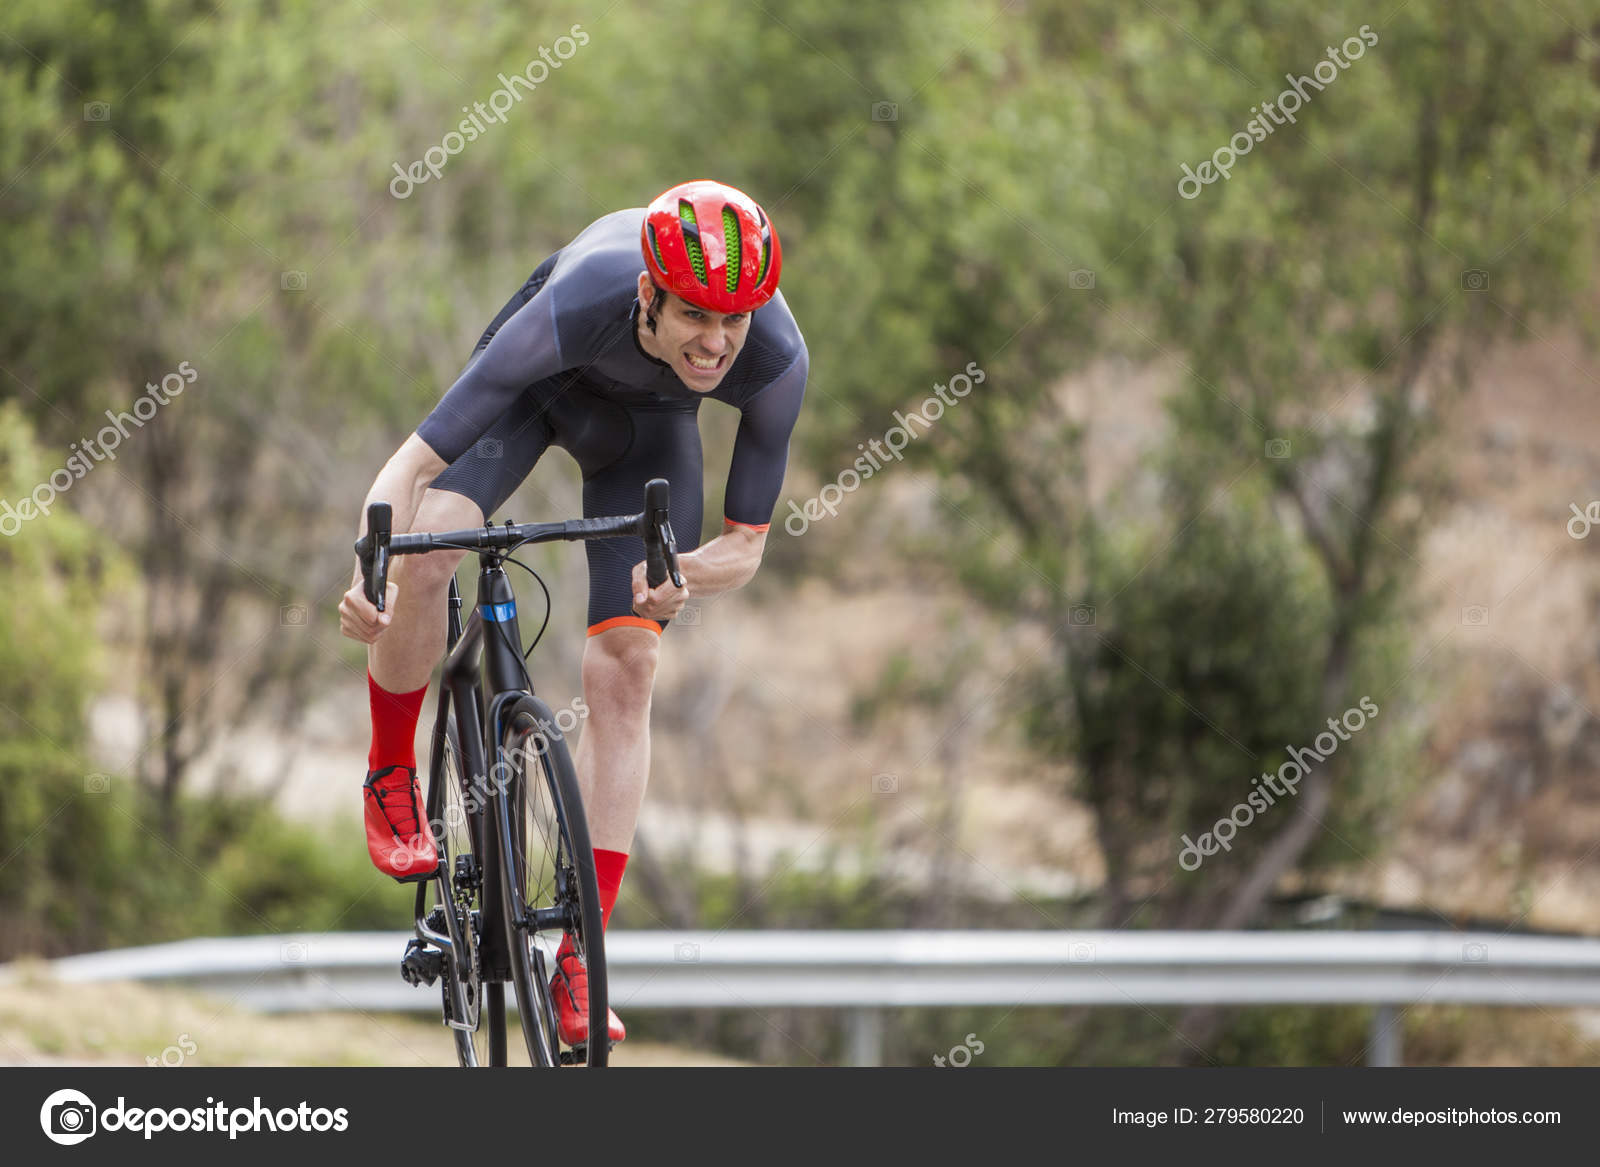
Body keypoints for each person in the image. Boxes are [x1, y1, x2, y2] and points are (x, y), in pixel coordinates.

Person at [339, 180, 807, 1048]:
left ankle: (578, 954)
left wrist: (684, 579)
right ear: (647, 293)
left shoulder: (774, 356)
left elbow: (747, 544)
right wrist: (372, 564)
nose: (717, 342)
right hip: (533, 396)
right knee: (435, 540)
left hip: (649, 437)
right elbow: (410, 466)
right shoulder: (579, 297)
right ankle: (391, 770)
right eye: (697, 315)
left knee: (630, 665)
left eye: (734, 319)